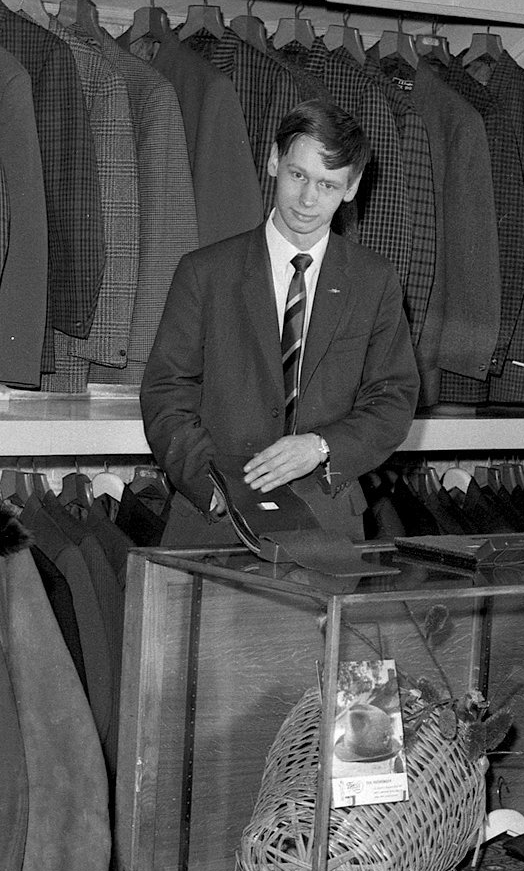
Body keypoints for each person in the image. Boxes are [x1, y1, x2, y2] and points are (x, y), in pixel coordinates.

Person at [141, 99, 419, 548]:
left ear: (352, 188)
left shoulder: (374, 281)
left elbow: (394, 400)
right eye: (298, 175)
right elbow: (166, 390)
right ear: (274, 161)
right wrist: (213, 488)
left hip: (326, 521)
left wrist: (322, 447)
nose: (309, 199)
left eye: (328, 185)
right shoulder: (205, 271)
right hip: (212, 521)